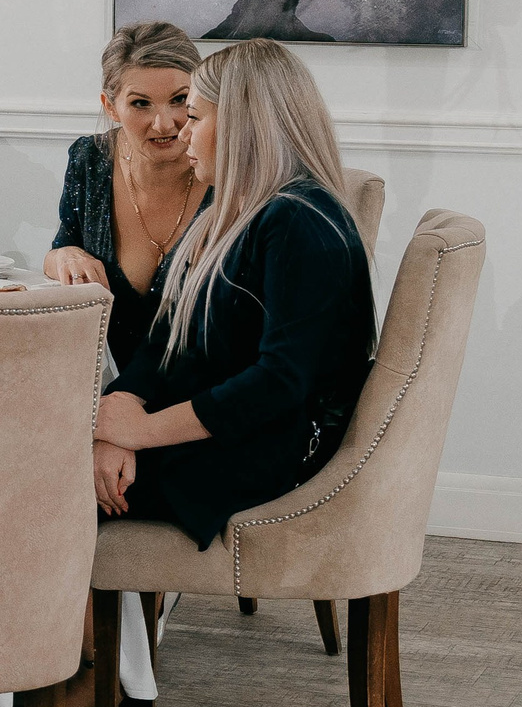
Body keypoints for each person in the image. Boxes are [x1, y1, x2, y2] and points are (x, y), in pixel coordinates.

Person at [92, 38, 376, 546]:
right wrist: (121, 409)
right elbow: (170, 341)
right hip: (230, 435)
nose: (182, 134)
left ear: (242, 126)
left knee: (31, 478)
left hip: (268, 454)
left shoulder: (299, 221)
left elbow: (280, 382)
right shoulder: (236, 210)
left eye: (195, 117)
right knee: (38, 456)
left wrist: (140, 433)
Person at [44, 22, 204, 369]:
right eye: (141, 103)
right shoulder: (91, 160)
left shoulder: (229, 171)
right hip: (107, 392)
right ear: (111, 106)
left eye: (179, 100)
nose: (164, 124)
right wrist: (66, 256)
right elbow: (60, 250)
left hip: (210, 397)